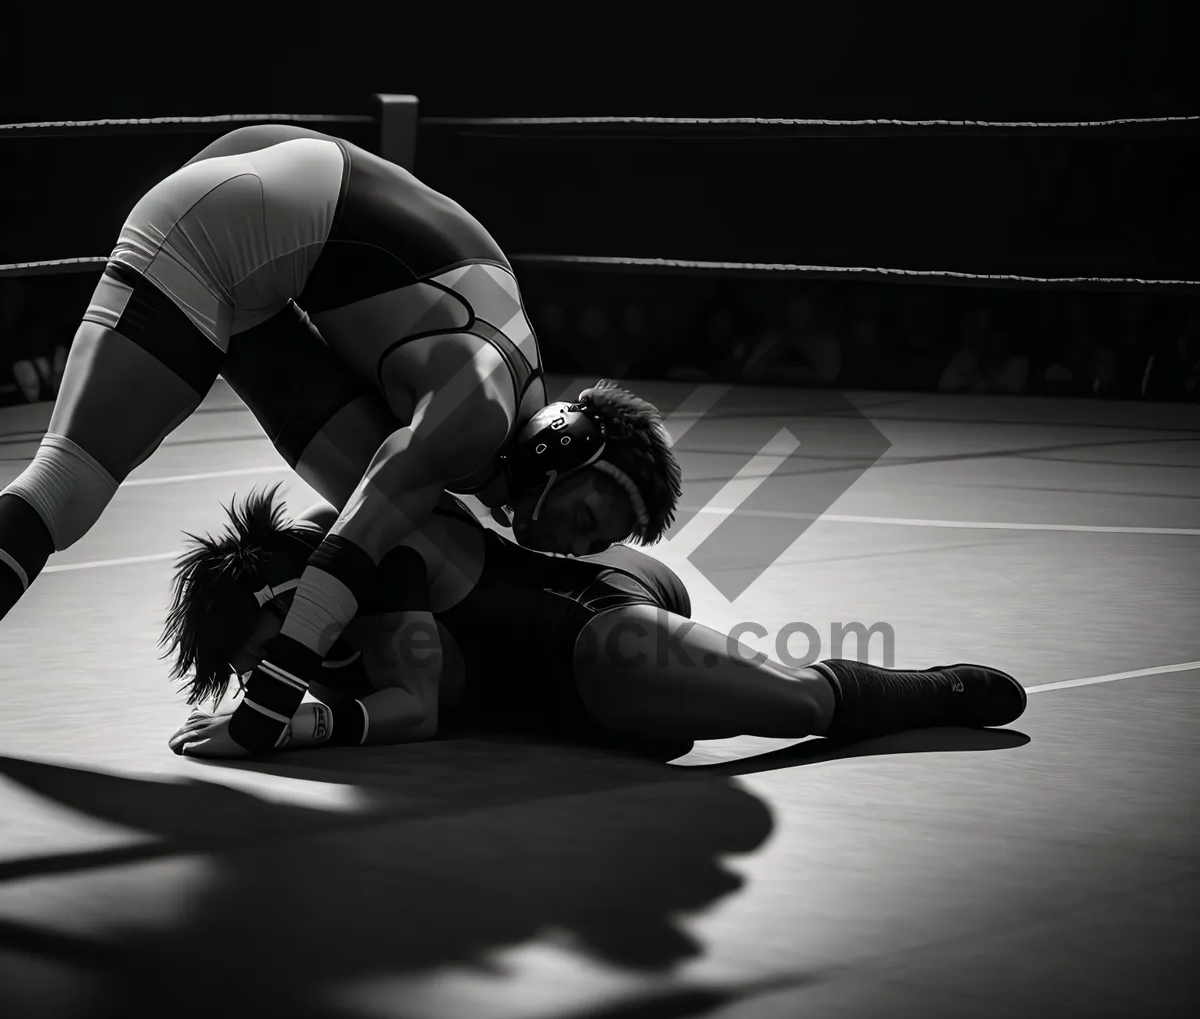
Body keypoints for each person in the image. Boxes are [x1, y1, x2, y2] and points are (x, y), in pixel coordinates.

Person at [0, 124, 680, 750]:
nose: (573, 547)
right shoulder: (478, 408)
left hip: (243, 206)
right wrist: (267, 714)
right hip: (218, 236)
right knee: (70, 483)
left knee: (405, 517)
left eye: (594, 543)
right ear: (557, 450)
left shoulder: (505, 380)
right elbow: (353, 547)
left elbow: (312, 161)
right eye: (585, 518)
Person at [166, 482, 1027, 759]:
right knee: (644, 733)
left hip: (584, 624)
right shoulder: (291, 629)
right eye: (251, 672)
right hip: (546, 696)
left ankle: (936, 688)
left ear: (281, 601)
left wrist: (287, 725)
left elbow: (415, 706)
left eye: (258, 656)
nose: (266, 677)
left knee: (798, 709)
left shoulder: (360, 552)